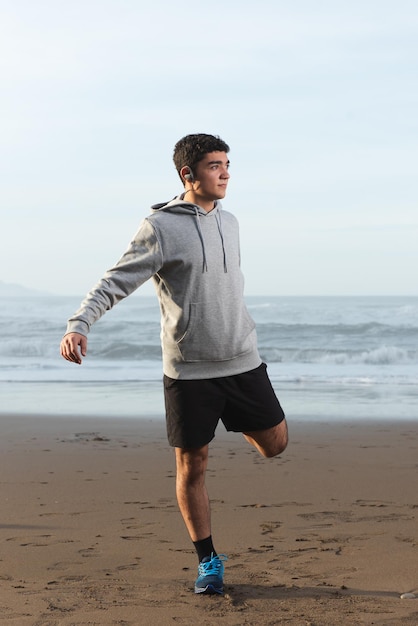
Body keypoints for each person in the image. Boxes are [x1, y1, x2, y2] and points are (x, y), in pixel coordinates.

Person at [60, 133, 288, 595]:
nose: (225, 173)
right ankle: (208, 562)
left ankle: (232, 417)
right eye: (214, 165)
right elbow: (116, 279)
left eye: (227, 164)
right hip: (189, 371)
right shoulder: (160, 227)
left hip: (242, 360)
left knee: (275, 445)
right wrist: (79, 323)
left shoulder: (232, 223)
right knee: (193, 466)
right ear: (188, 174)